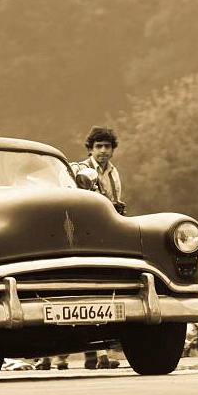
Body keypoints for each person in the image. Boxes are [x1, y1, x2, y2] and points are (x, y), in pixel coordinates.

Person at [46, 126, 125, 370]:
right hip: (83, 235)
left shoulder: (114, 174)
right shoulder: (78, 170)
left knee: (101, 292)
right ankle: (69, 354)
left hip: (104, 234)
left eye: (107, 147)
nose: (103, 151)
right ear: (90, 149)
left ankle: (93, 353)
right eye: (99, 146)